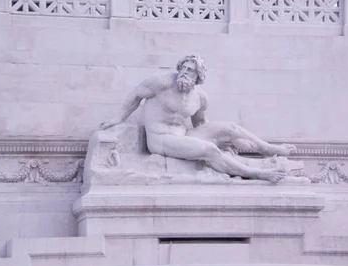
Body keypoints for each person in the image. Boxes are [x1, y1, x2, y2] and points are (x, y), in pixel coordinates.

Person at [100, 55, 295, 182]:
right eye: (183, 68)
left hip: (183, 135)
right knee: (209, 150)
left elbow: (200, 124)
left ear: (198, 77)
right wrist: (118, 117)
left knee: (231, 128)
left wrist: (219, 138)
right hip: (160, 140)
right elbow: (136, 95)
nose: (184, 72)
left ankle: (268, 149)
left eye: (190, 70)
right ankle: (257, 174)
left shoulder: (200, 98)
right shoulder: (161, 83)